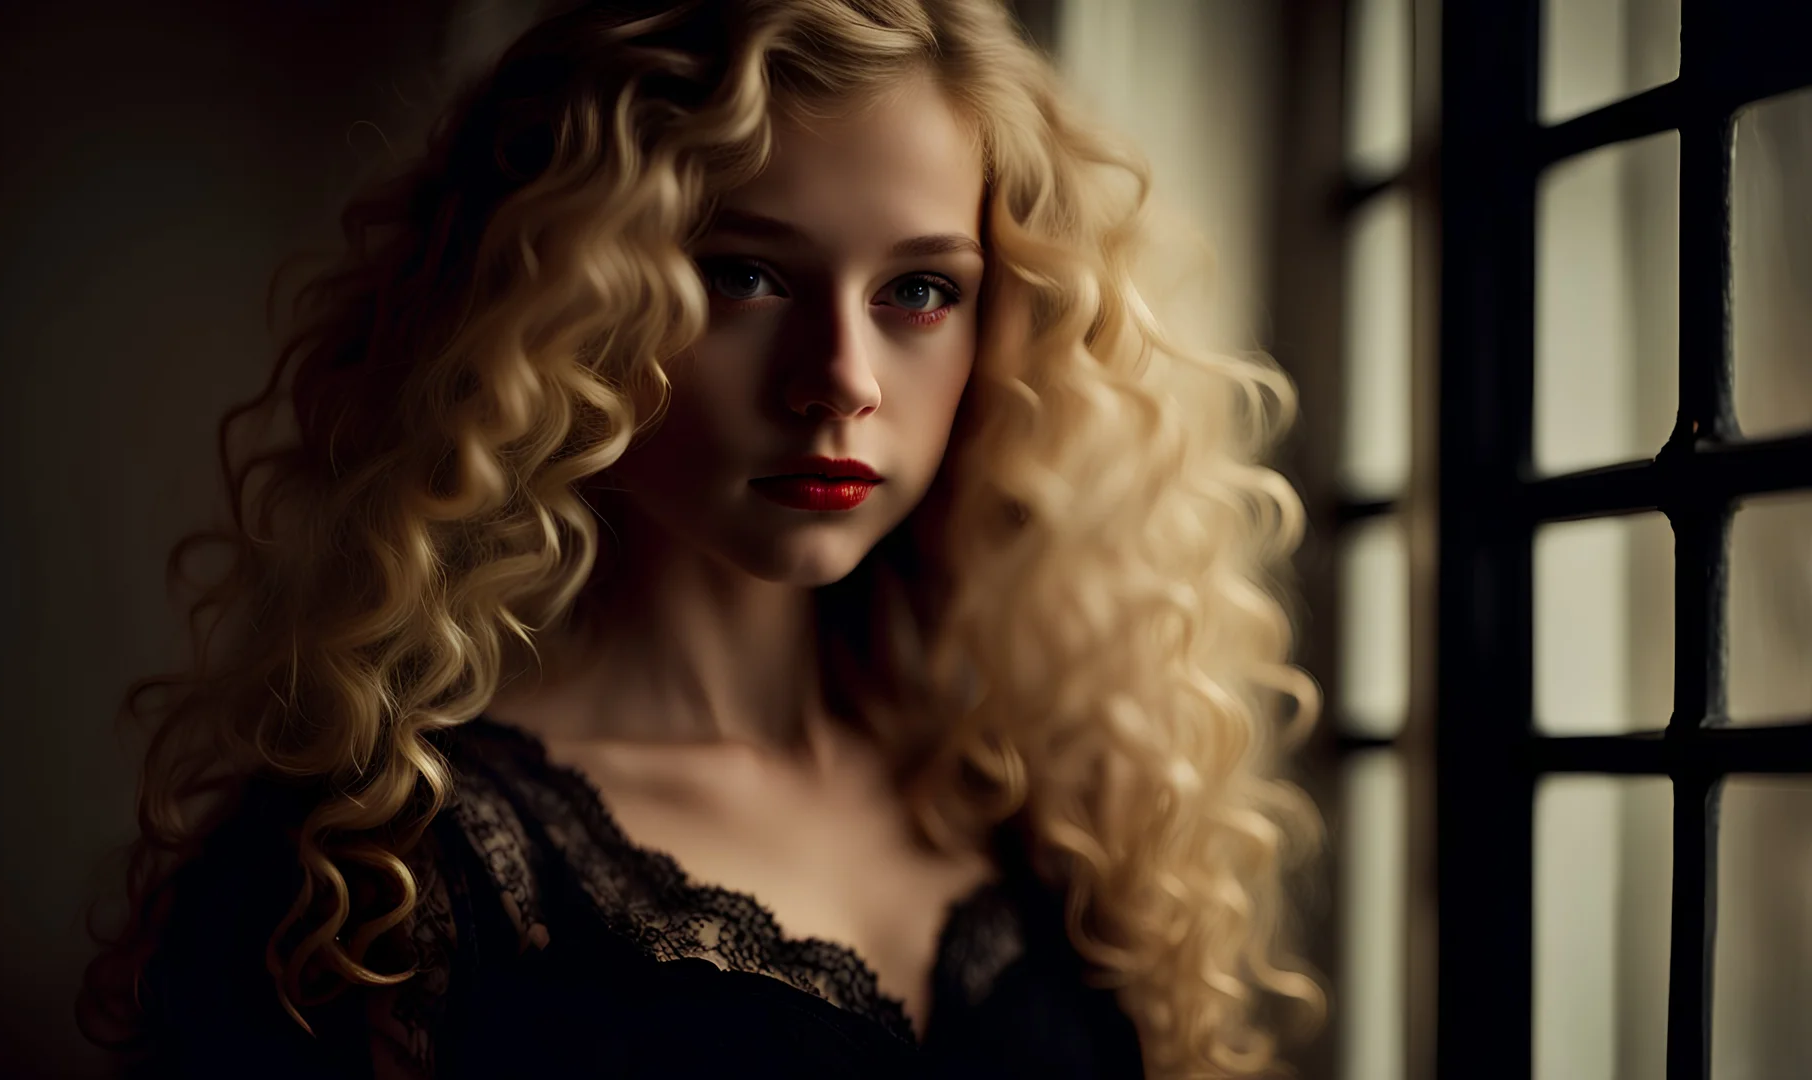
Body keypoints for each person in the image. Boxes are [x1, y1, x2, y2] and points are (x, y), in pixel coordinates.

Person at [80, 1, 1324, 1076]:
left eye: (921, 291)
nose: (840, 380)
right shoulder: (373, 871)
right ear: (566, 307)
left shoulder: (1053, 800)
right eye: (745, 275)